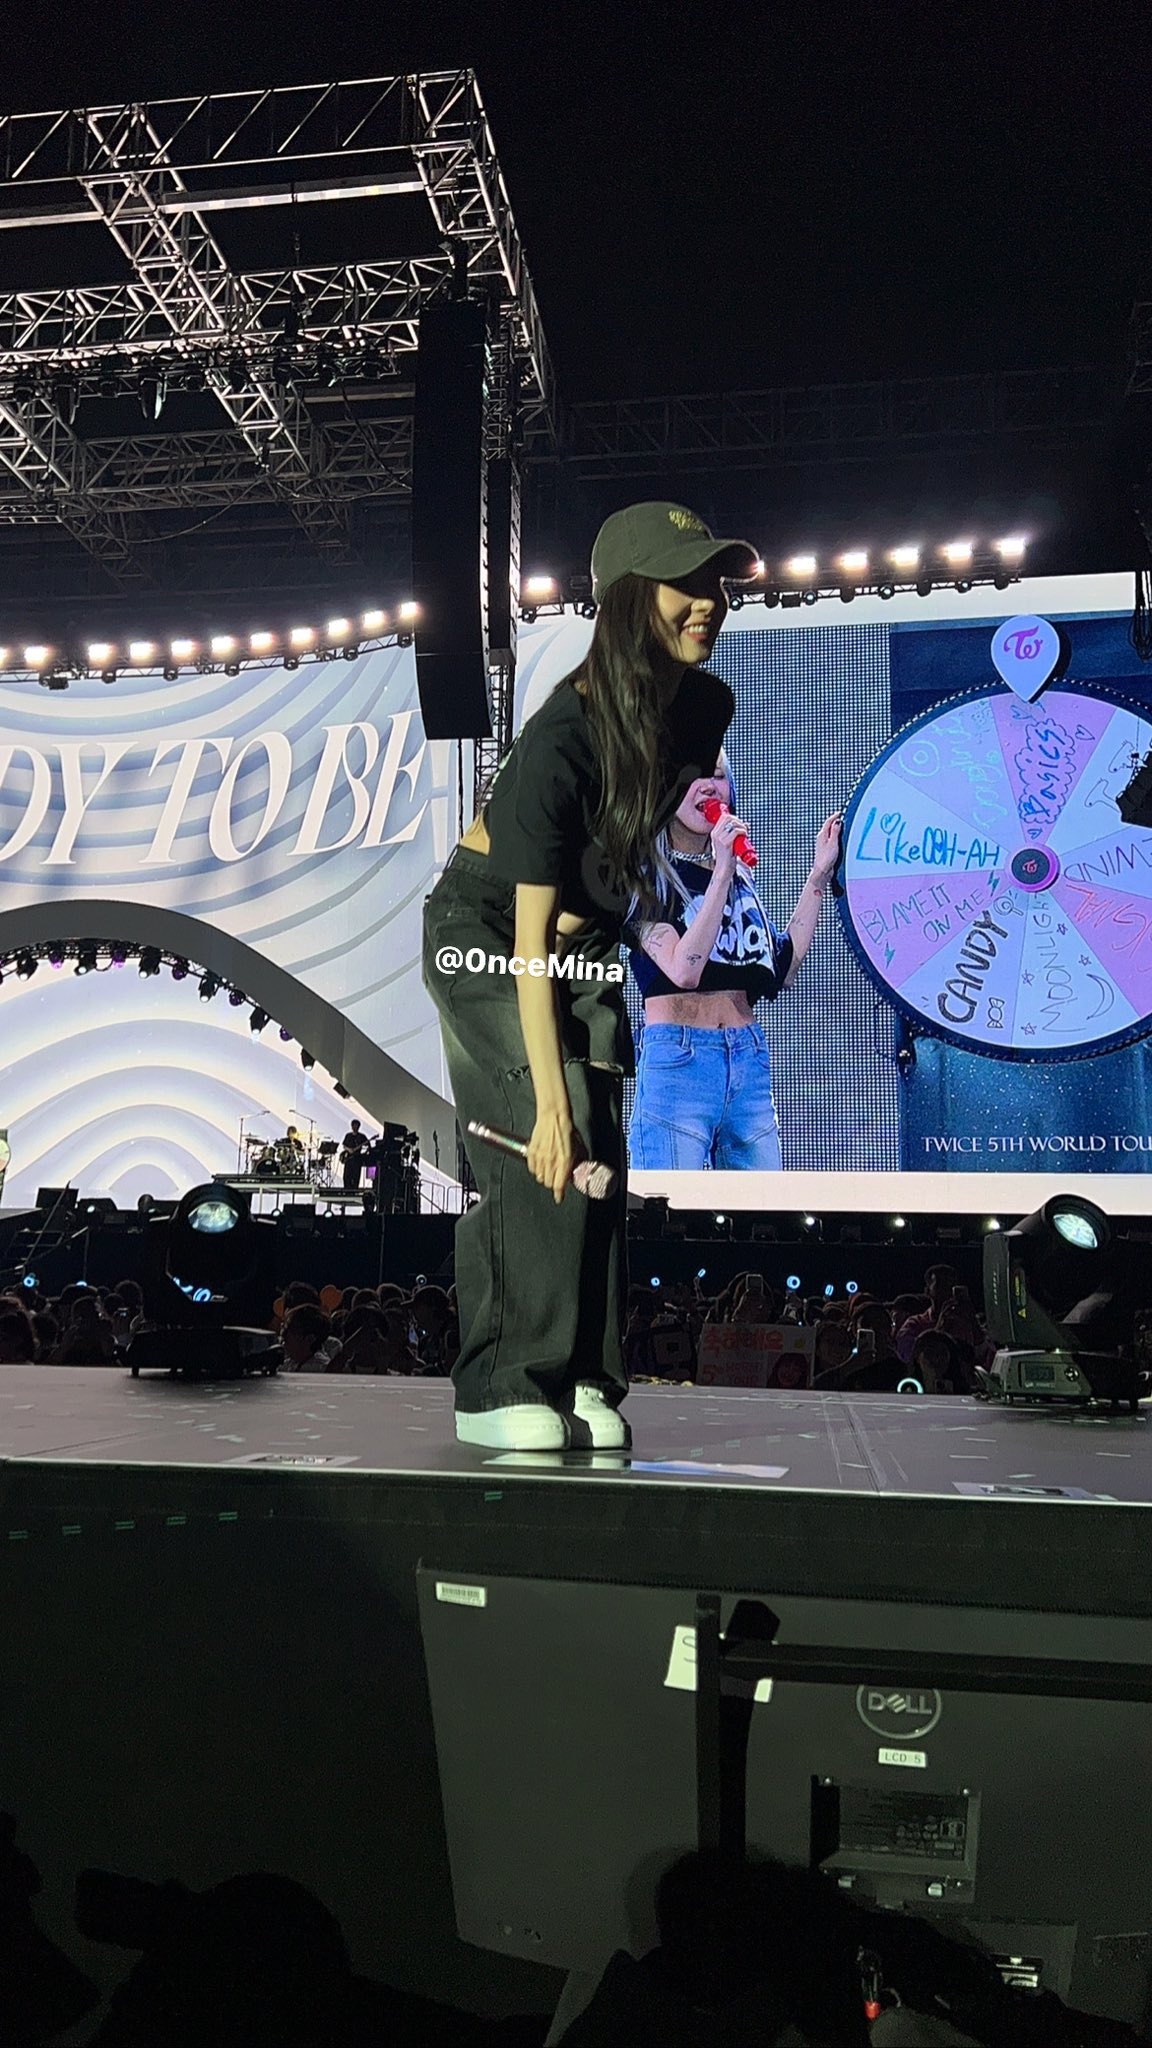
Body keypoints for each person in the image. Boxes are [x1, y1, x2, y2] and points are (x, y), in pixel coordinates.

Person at [422, 502, 757, 1451]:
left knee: (603, 1141)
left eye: (716, 582)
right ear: (627, 601)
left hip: (581, 933)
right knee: (551, 1123)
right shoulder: (561, 734)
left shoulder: (706, 707)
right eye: (685, 583)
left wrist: (614, 910)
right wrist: (548, 1102)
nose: (709, 601)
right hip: (489, 933)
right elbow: (529, 937)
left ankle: (581, 1378)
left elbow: (632, 827)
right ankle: (500, 1382)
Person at [626, 751, 841, 1167]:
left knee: (761, 1202)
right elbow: (684, 969)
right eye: (694, 776)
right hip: (680, 1060)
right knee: (670, 1199)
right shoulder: (645, 879)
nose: (709, 786)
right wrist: (722, 872)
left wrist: (819, 874)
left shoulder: (740, 879)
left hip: (747, 1058)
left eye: (719, 776)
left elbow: (781, 969)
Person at [340, 1119, 370, 1192]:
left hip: (357, 1159)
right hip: (348, 1159)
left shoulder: (362, 1136)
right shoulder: (348, 1135)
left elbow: (368, 1145)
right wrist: (349, 1150)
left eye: (357, 1126)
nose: (355, 1127)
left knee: (356, 1176)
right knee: (346, 1176)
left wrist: (364, 1153)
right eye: (354, 1126)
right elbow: (344, 1145)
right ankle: (346, 1190)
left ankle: (354, 1190)